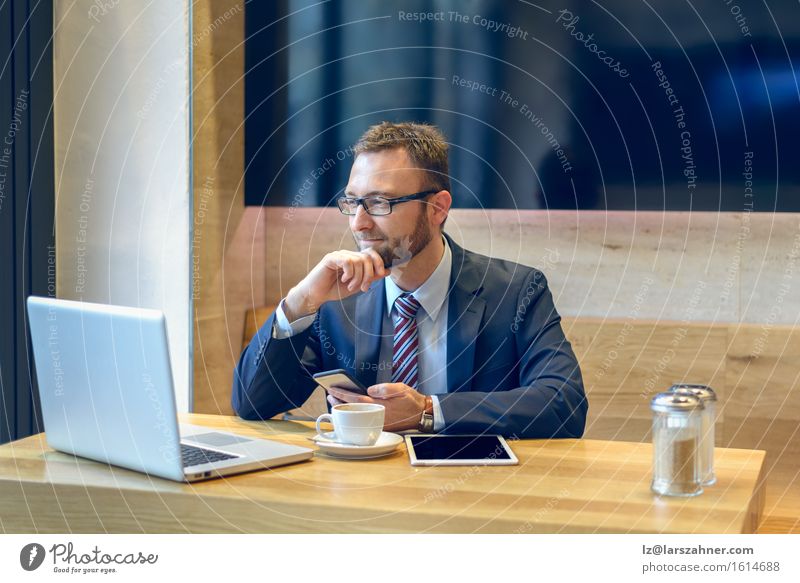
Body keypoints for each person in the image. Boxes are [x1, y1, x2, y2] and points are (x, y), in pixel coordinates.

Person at [232, 122, 587, 438]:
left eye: (380, 203)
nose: (359, 223)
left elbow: (564, 404)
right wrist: (300, 300)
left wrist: (426, 412)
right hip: (363, 495)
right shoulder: (335, 301)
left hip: (476, 489)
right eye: (353, 202)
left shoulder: (515, 292)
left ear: (437, 208)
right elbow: (251, 404)